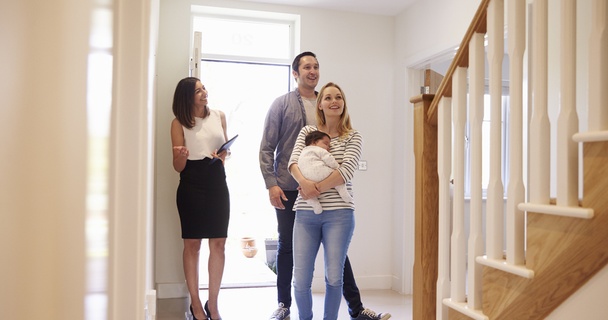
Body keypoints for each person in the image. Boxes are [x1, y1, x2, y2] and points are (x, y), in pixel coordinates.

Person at [259, 51, 391, 320]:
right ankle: (284, 306)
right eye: (307, 67)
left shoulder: (345, 128)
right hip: (292, 191)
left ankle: (356, 309)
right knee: (289, 253)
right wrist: (279, 184)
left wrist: (314, 187)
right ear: (295, 73)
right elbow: (276, 152)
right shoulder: (284, 107)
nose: (313, 71)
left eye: (316, 66)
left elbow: (346, 170)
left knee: (337, 267)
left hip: (334, 203)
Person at [171, 77, 230, 320]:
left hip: (216, 180)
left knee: (219, 243)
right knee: (192, 245)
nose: (204, 93)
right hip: (191, 182)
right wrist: (182, 155)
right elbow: (177, 166)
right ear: (187, 97)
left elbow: (226, 150)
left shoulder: (219, 115)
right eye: (198, 91)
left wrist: (223, 154)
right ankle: (195, 304)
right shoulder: (178, 123)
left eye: (204, 88)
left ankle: (212, 305)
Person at [298, 130, 353, 214]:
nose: (328, 147)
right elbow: (329, 159)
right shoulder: (319, 150)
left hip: (307, 178)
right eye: (326, 143)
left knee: (307, 195)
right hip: (321, 172)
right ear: (314, 142)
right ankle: (343, 193)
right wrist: (337, 167)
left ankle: (315, 205)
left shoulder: (302, 152)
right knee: (337, 175)